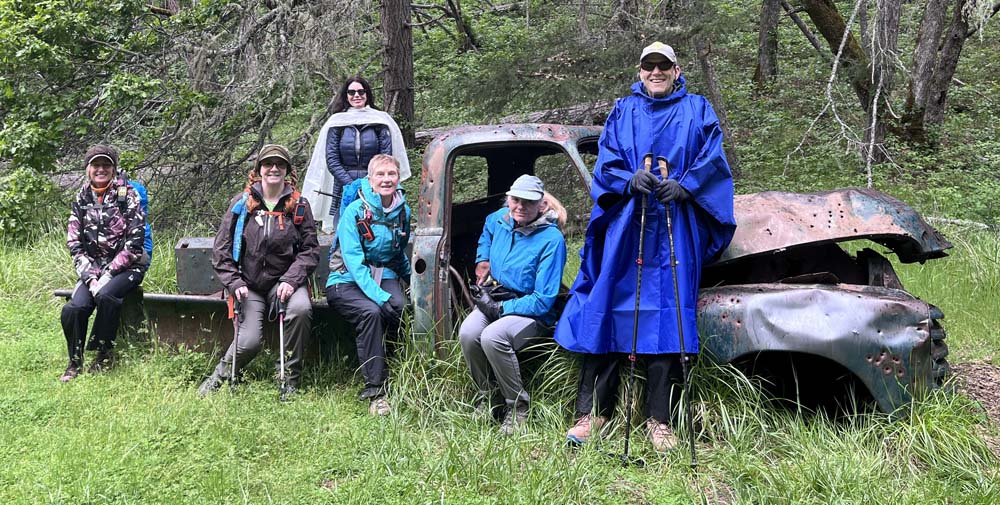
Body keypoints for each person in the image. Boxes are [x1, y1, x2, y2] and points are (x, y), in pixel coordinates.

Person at [554, 42, 737, 451]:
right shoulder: (623, 111)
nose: (656, 72)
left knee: (668, 314)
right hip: (627, 226)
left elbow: (713, 159)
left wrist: (686, 185)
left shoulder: (698, 110)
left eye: (663, 66)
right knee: (608, 305)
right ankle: (593, 414)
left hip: (676, 225)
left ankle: (660, 420)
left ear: (676, 70)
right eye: (649, 66)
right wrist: (627, 180)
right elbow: (607, 162)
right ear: (640, 71)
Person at [199, 144, 320, 401]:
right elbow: (221, 250)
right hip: (248, 284)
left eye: (280, 164)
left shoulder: (299, 205)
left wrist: (291, 280)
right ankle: (218, 377)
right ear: (259, 169)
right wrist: (234, 282)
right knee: (249, 342)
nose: (274, 169)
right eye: (268, 164)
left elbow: (310, 250)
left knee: (301, 309)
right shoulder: (242, 204)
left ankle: (289, 379)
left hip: (285, 282)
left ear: (287, 170)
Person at [459, 176, 567, 435]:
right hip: (499, 296)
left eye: (528, 202)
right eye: (516, 200)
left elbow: (543, 299)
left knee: (493, 336)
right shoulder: (501, 219)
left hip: (533, 312)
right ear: (508, 199)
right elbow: (488, 227)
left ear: (541, 205)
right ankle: (488, 398)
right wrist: (483, 259)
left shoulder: (551, 240)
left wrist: (500, 311)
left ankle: (517, 406)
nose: (520, 207)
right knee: (468, 333)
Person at [325, 154, 411, 416]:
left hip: (382, 274)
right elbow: (353, 262)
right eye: (380, 175)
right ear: (370, 180)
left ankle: (399, 371)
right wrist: (380, 297)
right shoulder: (354, 212)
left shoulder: (402, 212)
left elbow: (398, 252)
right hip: (345, 279)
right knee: (371, 312)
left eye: (391, 174)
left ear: (398, 178)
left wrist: (414, 282)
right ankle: (376, 390)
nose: (386, 179)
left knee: (400, 307)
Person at [60, 145, 148, 382]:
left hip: (129, 265)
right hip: (93, 268)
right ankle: (74, 361)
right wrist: (90, 278)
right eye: (96, 165)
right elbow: (74, 243)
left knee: (106, 296)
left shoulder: (128, 195)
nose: (101, 170)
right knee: (73, 309)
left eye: (106, 165)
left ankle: (104, 353)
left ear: (114, 168)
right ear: (88, 169)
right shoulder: (81, 197)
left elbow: (135, 243)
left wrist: (108, 275)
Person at [301, 76, 412, 233]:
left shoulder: (380, 121)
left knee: (377, 230)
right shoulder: (336, 123)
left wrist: (369, 183)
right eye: (352, 92)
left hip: (376, 186)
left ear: (367, 94)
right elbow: (332, 159)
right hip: (344, 188)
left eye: (361, 91)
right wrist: (352, 184)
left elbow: (385, 159)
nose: (356, 95)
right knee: (345, 230)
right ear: (346, 96)